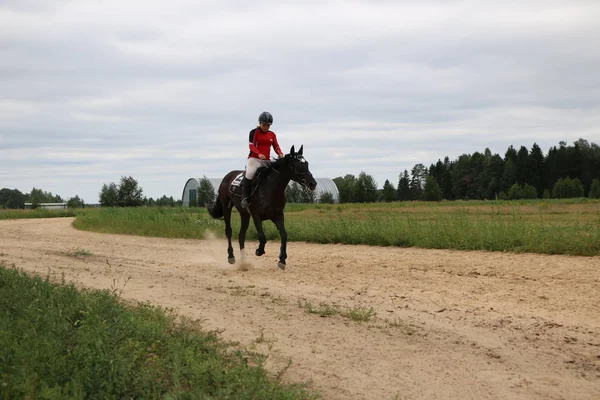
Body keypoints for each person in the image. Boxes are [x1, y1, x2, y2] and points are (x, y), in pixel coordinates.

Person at [241, 111, 284, 208]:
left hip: (266, 161)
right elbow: (251, 146)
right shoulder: (254, 132)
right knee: (250, 173)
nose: (266, 127)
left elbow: (276, 146)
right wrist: (259, 154)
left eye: (268, 125)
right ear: (260, 123)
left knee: (275, 174)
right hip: (254, 159)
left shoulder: (272, 134)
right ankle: (244, 197)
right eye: (264, 125)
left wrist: (280, 153)